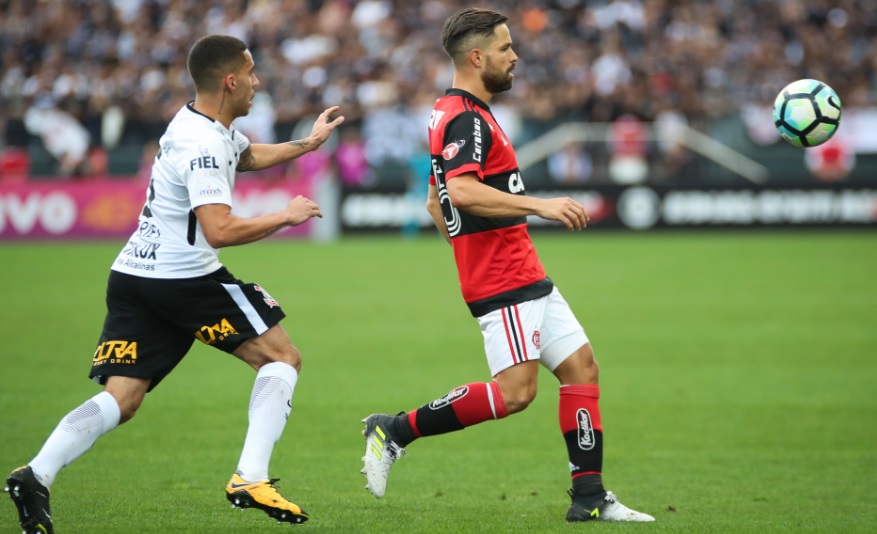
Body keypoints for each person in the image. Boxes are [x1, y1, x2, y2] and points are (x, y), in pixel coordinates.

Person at [5, 34, 344, 533]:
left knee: (123, 397)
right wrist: (286, 215)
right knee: (281, 357)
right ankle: (251, 477)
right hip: (182, 278)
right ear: (230, 81)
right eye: (251, 74)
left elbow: (244, 157)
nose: (258, 82)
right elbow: (219, 230)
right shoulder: (203, 144)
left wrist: (305, 145)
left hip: (134, 275)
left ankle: (35, 473)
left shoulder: (198, 122)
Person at [360, 8, 654, 523]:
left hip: (521, 272)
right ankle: (394, 429)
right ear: (477, 57)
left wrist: (473, 252)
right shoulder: (467, 118)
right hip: (504, 281)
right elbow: (460, 191)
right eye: (504, 48)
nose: (514, 56)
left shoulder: (450, 112)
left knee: (582, 368)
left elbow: (436, 202)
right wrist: (539, 206)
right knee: (516, 395)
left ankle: (589, 498)